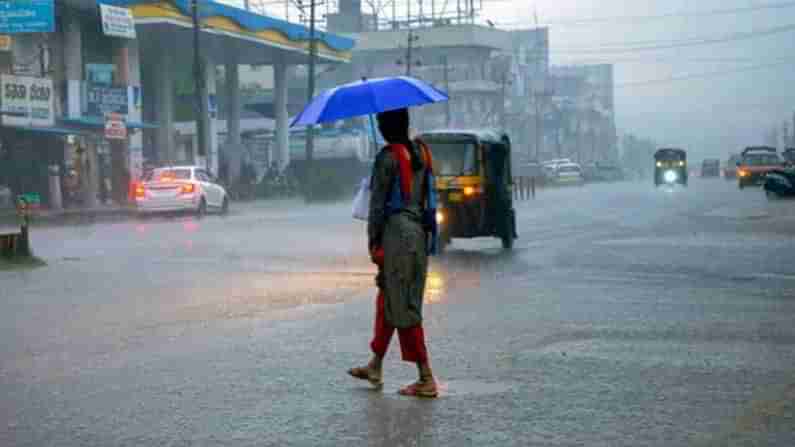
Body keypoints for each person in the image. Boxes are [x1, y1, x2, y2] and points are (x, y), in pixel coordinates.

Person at [348, 108, 438, 398]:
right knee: (389, 298)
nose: (379, 126)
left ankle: (426, 377)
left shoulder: (387, 158)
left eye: (380, 122)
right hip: (418, 235)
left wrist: (373, 242)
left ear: (389, 126)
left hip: (396, 236)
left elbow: (376, 206)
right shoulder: (423, 152)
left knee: (404, 306)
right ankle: (375, 364)